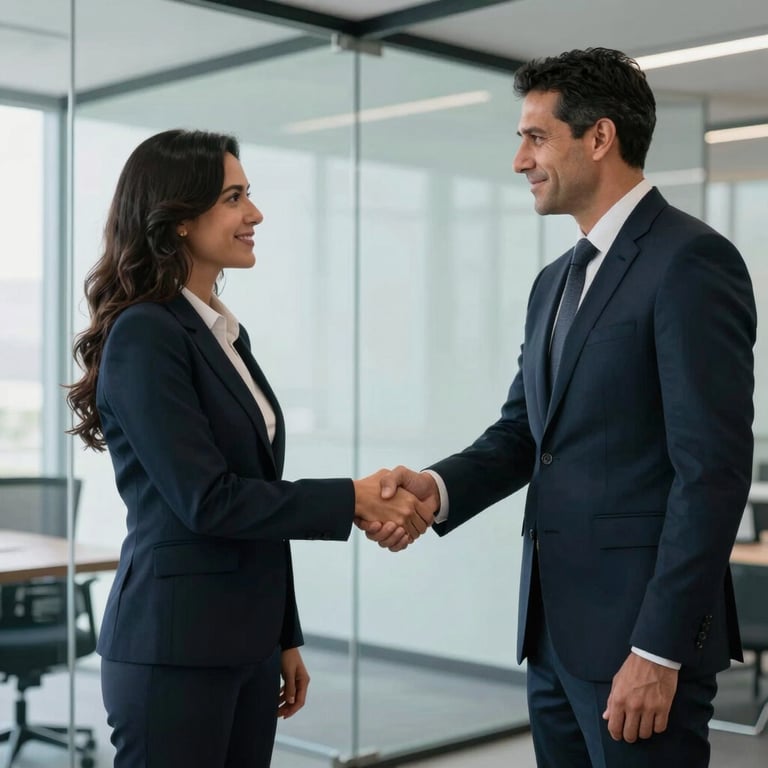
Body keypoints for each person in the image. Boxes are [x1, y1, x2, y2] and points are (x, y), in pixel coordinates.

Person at [360, 48, 756, 767]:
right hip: (552, 636)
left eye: (535, 137)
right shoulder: (555, 281)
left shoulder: (692, 263)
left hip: (639, 644)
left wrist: (657, 649)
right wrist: (437, 489)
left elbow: (713, 473)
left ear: (599, 138)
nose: (519, 160)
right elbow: (523, 434)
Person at [67, 128, 432, 768]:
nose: (254, 214)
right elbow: (207, 500)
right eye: (234, 198)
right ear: (178, 219)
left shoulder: (223, 335)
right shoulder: (147, 334)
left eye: (248, 195)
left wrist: (282, 635)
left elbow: (254, 492)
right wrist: (350, 498)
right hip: (174, 646)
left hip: (246, 641)